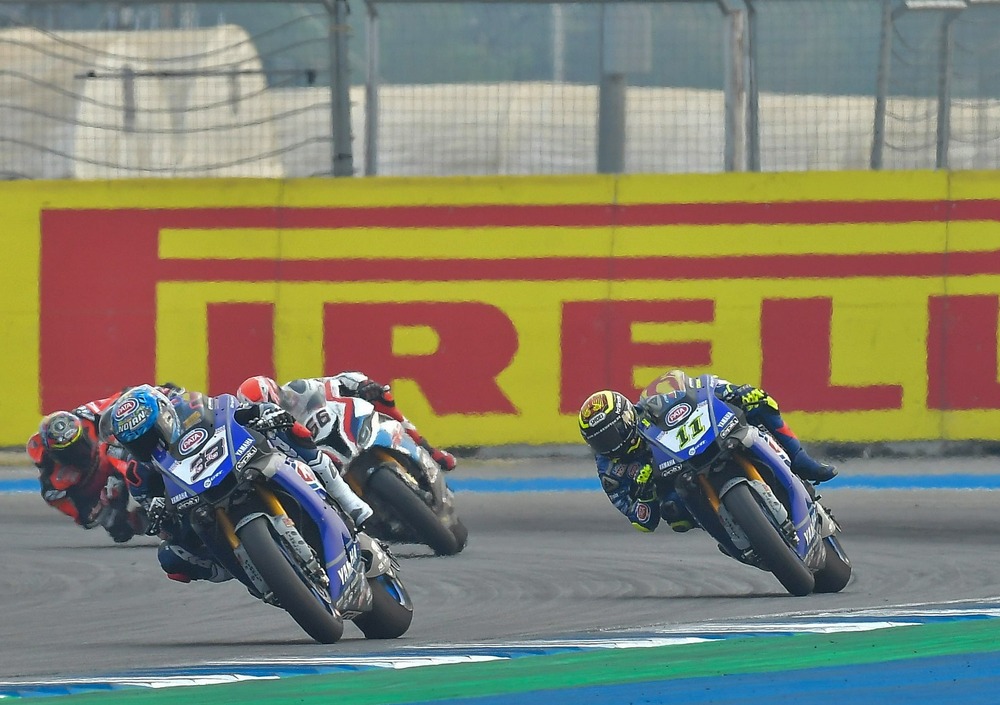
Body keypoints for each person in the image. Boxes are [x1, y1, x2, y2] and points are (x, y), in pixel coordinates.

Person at [106, 385, 370, 583]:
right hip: (200, 506)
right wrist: (159, 514)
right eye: (136, 443)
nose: (145, 445)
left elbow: (228, 409)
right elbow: (158, 521)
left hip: (241, 463)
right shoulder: (139, 472)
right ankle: (239, 570)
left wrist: (263, 414)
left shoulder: (190, 407)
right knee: (170, 557)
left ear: (165, 417)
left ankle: (347, 500)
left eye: (149, 435)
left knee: (290, 433)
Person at [578, 369, 837, 535]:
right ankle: (732, 532)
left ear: (627, 418)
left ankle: (801, 460)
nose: (608, 445)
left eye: (610, 435)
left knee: (759, 402)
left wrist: (732, 392)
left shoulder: (649, 407)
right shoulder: (610, 471)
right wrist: (645, 494)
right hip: (679, 484)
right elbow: (641, 521)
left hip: (702, 444)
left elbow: (699, 389)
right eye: (599, 442)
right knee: (675, 515)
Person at [237, 373, 457, 472]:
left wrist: (362, 385)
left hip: (341, 431)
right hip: (319, 459)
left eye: (269, 403)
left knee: (384, 398)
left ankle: (429, 450)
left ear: (274, 392)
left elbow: (333, 383)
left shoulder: (297, 389)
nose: (269, 410)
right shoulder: (263, 433)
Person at [26, 396, 148, 543]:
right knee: (118, 528)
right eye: (70, 451)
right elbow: (85, 518)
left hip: (122, 454)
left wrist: (160, 392)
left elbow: (123, 398)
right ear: (54, 455)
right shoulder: (53, 485)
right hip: (104, 493)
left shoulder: (87, 415)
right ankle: (155, 523)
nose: (79, 452)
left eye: (80, 442)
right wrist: (102, 504)